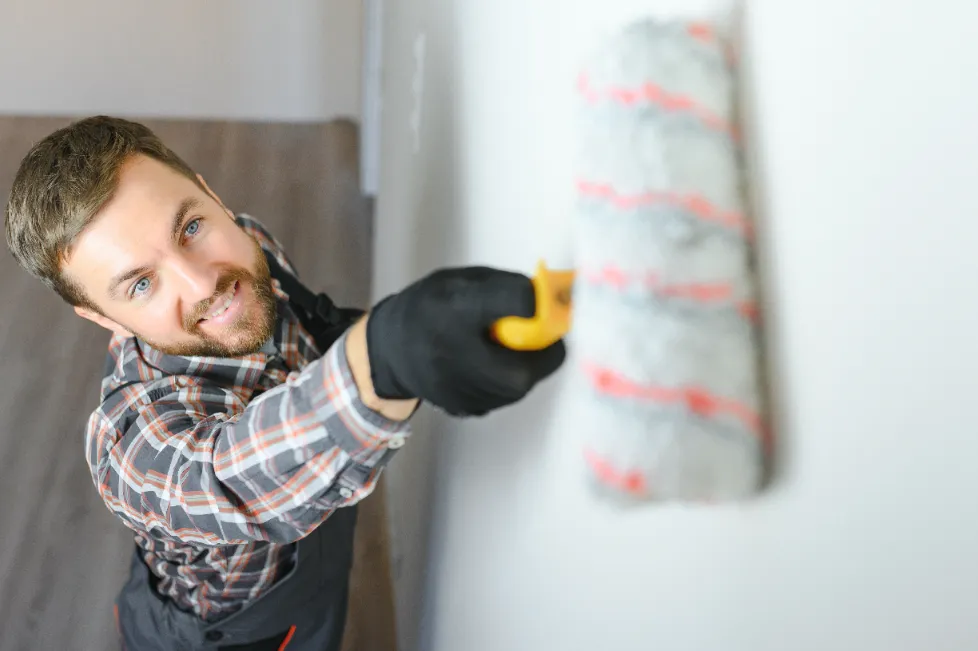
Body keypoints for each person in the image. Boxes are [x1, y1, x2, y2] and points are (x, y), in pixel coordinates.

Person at [3, 116, 566, 651]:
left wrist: (412, 338)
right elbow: (229, 476)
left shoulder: (250, 243)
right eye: (141, 285)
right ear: (102, 318)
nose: (204, 284)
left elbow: (316, 331)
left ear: (210, 194)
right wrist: (384, 361)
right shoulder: (129, 447)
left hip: (315, 592)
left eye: (191, 227)